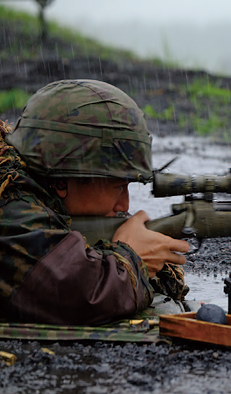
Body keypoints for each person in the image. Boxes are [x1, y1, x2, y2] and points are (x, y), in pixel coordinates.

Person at [0, 79, 191, 326]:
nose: (124, 204)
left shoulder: (27, 182)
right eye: (118, 186)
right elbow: (78, 296)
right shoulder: (11, 207)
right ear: (61, 179)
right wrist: (133, 259)